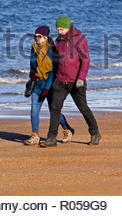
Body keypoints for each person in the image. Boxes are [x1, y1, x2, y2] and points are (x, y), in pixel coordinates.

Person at [40, 17, 101, 147]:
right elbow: (57, 61)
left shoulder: (79, 39)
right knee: (55, 108)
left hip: (76, 82)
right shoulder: (58, 41)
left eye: (61, 28)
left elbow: (85, 60)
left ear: (67, 27)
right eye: (57, 29)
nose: (59, 31)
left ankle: (95, 133)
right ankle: (51, 138)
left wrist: (81, 78)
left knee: (83, 107)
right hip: (60, 81)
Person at [24, 25, 74, 146]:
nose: (36, 39)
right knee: (34, 110)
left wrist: (47, 89)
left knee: (54, 111)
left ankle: (67, 129)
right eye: (35, 36)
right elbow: (32, 66)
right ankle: (35, 135)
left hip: (50, 85)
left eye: (39, 37)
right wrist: (32, 76)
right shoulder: (33, 49)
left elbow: (53, 72)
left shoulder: (52, 50)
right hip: (37, 85)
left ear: (45, 37)